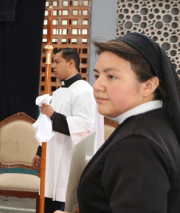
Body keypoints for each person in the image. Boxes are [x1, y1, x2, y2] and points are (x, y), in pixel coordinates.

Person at [56, 33, 180, 213]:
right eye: (97, 75)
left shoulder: (137, 144)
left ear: (148, 86)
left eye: (111, 76)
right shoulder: (158, 123)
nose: (97, 86)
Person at [32, 48, 104, 213]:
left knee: (64, 203)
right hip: (53, 156)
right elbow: (49, 126)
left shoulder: (83, 91)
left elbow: (86, 125)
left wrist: (55, 116)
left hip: (68, 158)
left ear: (71, 62)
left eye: (57, 62)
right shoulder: (59, 92)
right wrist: (40, 150)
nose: (53, 66)